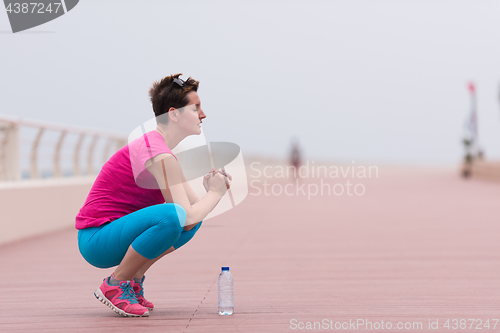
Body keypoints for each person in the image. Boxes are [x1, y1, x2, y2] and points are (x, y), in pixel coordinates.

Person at [75, 73, 231, 317]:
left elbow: (193, 212)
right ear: (174, 114)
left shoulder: (161, 151)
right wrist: (216, 193)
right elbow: (183, 215)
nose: (203, 114)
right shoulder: (158, 154)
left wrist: (210, 188)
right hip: (96, 240)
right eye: (196, 108)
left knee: (189, 218)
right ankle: (116, 284)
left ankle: (133, 280)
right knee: (172, 216)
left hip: (113, 235)